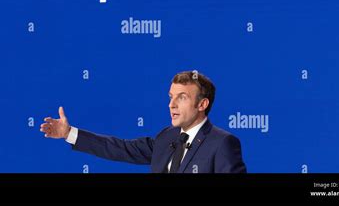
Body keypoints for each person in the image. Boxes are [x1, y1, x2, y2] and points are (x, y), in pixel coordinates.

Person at [40, 71, 247, 173]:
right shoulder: (167, 137)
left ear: (202, 104)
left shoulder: (222, 143)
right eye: (170, 97)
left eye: (181, 97)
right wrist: (69, 133)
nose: (171, 105)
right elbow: (120, 148)